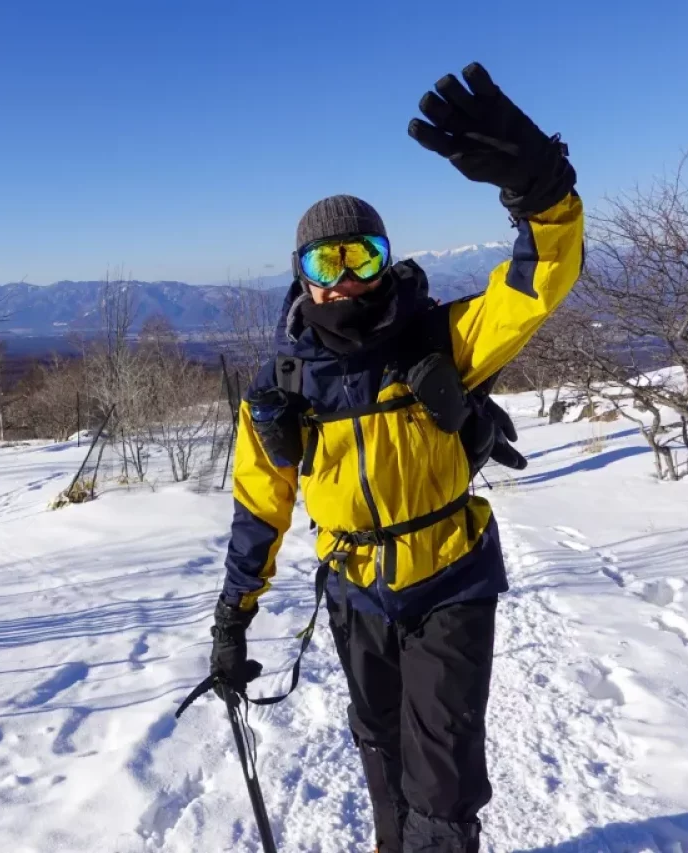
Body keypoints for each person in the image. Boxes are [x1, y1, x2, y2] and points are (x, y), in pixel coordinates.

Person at [207, 63, 583, 853]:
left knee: (441, 784)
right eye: (325, 264)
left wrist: (539, 190)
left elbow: (538, 284)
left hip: (450, 578)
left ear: (385, 260)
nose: (345, 282)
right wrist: (232, 621)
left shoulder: (440, 343)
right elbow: (258, 508)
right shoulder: (282, 392)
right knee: (380, 750)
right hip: (354, 592)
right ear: (300, 278)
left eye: (361, 259)